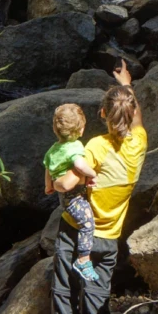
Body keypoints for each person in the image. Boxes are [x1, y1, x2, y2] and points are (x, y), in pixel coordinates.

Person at [49, 61, 146, 314]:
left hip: (76, 235)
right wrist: (127, 87)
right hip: (108, 241)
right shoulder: (138, 144)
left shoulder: (94, 148)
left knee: (64, 301)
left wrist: (53, 178)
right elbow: (134, 119)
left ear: (102, 114)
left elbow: (67, 182)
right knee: (97, 305)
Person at [44, 102, 100, 282]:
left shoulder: (52, 150)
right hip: (75, 197)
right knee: (87, 223)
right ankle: (83, 260)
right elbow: (79, 165)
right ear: (81, 130)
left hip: (65, 199)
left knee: (80, 222)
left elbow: (48, 169)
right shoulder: (75, 147)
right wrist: (92, 173)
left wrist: (48, 186)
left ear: (55, 129)